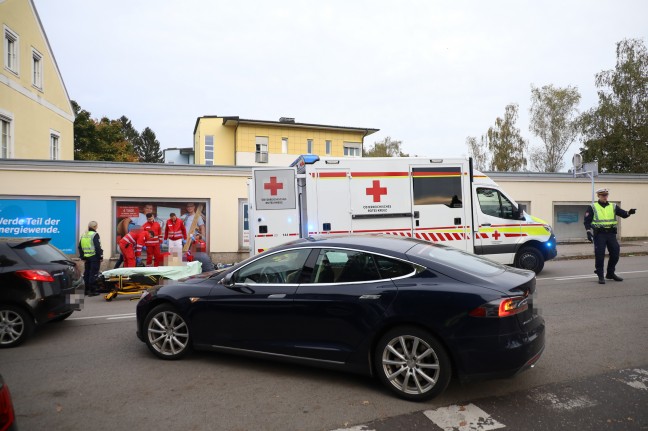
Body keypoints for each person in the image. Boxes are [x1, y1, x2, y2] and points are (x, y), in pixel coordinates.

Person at [584, 188, 636, 284]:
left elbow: (623, 214)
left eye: (606, 195)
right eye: (603, 195)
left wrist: (629, 212)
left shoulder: (613, 206)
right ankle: (600, 275)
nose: (605, 197)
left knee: (615, 253)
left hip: (611, 234)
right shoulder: (592, 207)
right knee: (600, 255)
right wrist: (588, 232)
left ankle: (610, 273)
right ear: (598, 196)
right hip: (599, 234)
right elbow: (587, 221)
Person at [78, 221, 103, 296]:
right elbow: (97, 247)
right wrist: (100, 256)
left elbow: (80, 247)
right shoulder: (95, 235)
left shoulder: (84, 235)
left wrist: (82, 256)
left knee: (87, 273)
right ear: (95, 227)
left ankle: (86, 290)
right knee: (94, 273)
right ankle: (93, 290)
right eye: (97, 226)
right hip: (94, 257)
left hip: (87, 257)